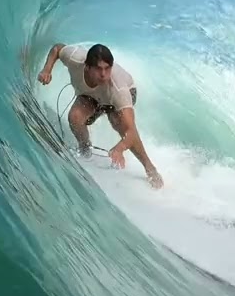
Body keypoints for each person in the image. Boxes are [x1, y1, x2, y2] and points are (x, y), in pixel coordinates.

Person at [38, 42, 164, 189]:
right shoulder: (75, 58)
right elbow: (57, 49)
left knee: (119, 125)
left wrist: (119, 148)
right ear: (87, 66)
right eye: (99, 69)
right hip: (90, 96)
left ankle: (150, 168)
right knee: (75, 117)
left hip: (122, 95)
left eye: (107, 68)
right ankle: (85, 151)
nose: (104, 74)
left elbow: (131, 131)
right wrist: (47, 70)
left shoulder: (118, 89)